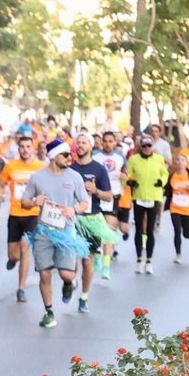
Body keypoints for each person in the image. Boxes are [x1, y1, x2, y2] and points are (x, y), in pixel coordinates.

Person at [20, 139, 91, 328]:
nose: (70, 158)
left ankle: (70, 283)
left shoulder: (74, 177)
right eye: (66, 154)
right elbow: (24, 202)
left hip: (65, 231)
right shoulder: (37, 177)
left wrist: (74, 210)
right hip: (43, 231)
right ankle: (49, 312)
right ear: (53, 156)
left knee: (66, 274)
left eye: (71, 154)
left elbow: (85, 202)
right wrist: (35, 201)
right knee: (44, 274)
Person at [68, 131, 114, 311]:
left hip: (91, 219)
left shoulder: (99, 169)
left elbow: (109, 196)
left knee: (87, 261)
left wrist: (95, 191)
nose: (80, 146)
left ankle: (84, 297)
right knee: (70, 259)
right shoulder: (69, 169)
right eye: (78, 143)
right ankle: (70, 282)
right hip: (72, 219)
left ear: (91, 146)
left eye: (84, 143)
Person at [1, 134, 46, 303]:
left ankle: (21, 288)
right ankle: (13, 259)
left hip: (33, 214)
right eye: (22, 147)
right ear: (18, 149)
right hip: (15, 214)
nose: (25, 150)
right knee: (14, 253)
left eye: (28, 147)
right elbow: (1, 184)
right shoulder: (10, 166)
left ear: (33, 149)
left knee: (25, 247)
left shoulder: (41, 167)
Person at [125, 134, 171, 273]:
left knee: (150, 230)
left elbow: (165, 173)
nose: (146, 148)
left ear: (152, 147)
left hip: (153, 196)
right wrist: (129, 182)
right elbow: (126, 175)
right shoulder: (133, 159)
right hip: (139, 197)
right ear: (140, 147)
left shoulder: (158, 159)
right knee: (139, 230)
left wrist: (161, 182)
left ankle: (149, 261)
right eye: (144, 146)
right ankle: (139, 260)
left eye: (149, 146)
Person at [94, 129, 127, 268]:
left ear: (115, 142)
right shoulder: (95, 156)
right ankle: (96, 255)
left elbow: (125, 171)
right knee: (96, 230)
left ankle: (106, 265)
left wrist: (124, 178)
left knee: (108, 231)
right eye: (105, 141)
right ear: (101, 142)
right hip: (96, 197)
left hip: (113, 197)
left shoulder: (120, 157)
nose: (108, 144)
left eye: (110, 141)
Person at [168, 152, 189, 263]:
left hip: (187, 208)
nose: (180, 162)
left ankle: (188, 231)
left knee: (185, 233)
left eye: (183, 160)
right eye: (178, 160)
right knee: (177, 230)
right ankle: (178, 254)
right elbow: (167, 190)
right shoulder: (172, 176)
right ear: (175, 163)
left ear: (186, 163)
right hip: (175, 208)